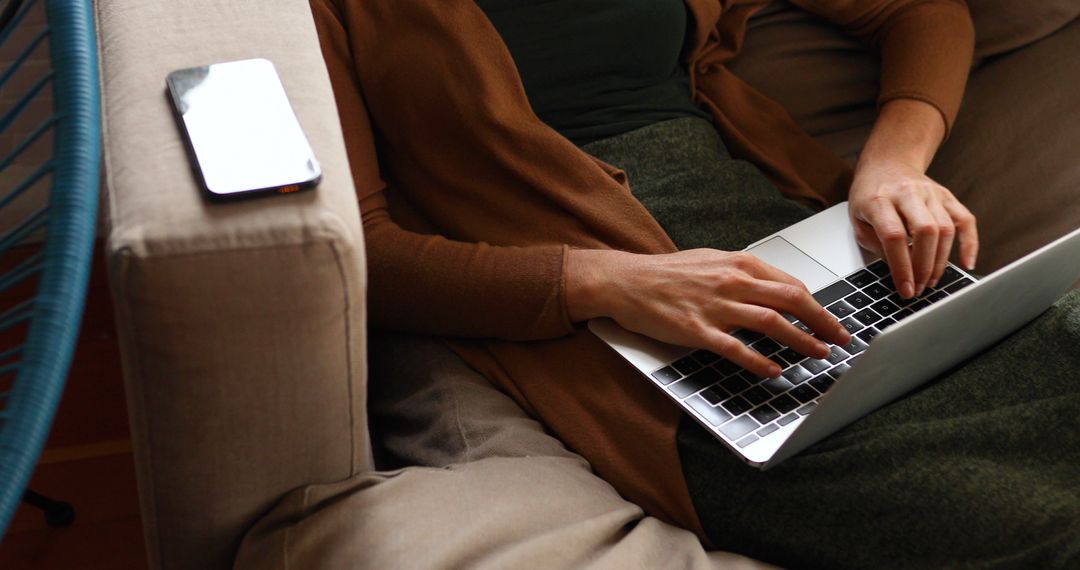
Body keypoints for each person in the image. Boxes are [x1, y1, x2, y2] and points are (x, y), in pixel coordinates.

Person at [311, 0, 1080, 567]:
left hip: (807, 244)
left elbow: (919, 12)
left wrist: (894, 162)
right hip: (636, 346)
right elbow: (357, 255)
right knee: (1030, 527)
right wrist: (609, 281)